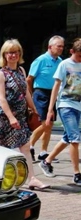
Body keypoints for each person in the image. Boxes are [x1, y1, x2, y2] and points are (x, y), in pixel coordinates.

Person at [0, 39, 49, 190]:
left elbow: (26, 93)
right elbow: (1, 99)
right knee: (3, 149)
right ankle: (1, 179)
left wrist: (34, 109)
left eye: (16, 52)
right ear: (4, 55)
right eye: (10, 52)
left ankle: (32, 178)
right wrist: (11, 118)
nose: (13, 55)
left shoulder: (21, 71)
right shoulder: (0, 74)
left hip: (21, 116)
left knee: (25, 147)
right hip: (4, 118)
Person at [38, 38, 81, 186]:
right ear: (72, 52)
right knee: (75, 138)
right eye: (78, 56)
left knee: (67, 138)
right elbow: (56, 86)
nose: (80, 59)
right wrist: (50, 109)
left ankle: (46, 161)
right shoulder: (64, 64)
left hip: (78, 106)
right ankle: (77, 174)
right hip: (65, 105)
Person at [26, 35, 65, 163]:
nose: (61, 48)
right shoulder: (40, 60)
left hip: (52, 94)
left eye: (62, 46)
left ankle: (43, 152)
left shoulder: (60, 61)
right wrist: (31, 96)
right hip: (40, 93)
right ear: (50, 47)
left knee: (50, 125)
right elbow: (29, 79)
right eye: (58, 46)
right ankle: (29, 145)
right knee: (45, 123)